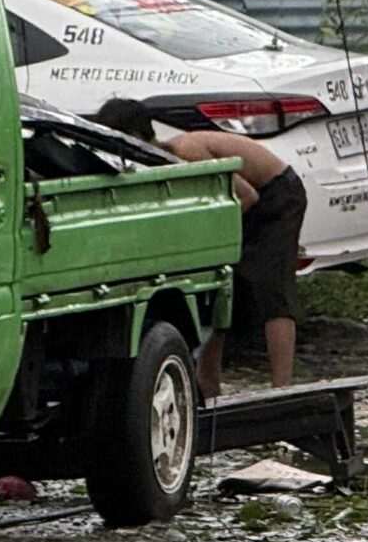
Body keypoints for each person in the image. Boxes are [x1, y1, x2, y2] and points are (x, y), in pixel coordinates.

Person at [91, 99, 306, 400]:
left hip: (276, 195)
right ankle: (208, 384)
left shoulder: (185, 153)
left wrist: (209, 241)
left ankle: (282, 388)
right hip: (247, 204)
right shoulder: (159, 166)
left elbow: (246, 196)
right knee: (217, 292)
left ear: (137, 137)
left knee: (270, 287)